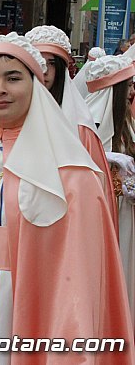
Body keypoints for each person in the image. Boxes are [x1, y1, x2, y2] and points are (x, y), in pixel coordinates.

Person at [0, 33, 133, 364]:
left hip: (26, 301)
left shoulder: (71, 170)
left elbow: (78, 270)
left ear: (35, 85)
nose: (0, 89)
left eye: (13, 78)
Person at [25, 25, 117, 226]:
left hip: (66, 221)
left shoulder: (81, 127)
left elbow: (93, 193)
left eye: (51, 63)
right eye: (38, 61)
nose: (44, 70)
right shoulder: (8, 117)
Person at [84, 54, 135, 326]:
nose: (132, 91)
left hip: (125, 214)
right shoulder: (90, 125)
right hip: (104, 216)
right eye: (127, 85)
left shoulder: (126, 122)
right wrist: (108, 158)